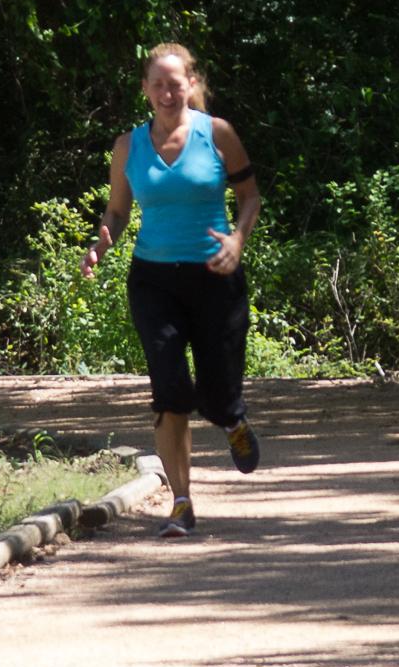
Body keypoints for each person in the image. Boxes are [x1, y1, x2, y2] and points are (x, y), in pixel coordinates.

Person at [83, 42, 266, 538]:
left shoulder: (218, 133)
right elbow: (117, 210)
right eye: (158, 84)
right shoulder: (128, 146)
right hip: (154, 280)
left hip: (215, 276)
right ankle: (181, 503)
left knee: (217, 392)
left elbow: (250, 196)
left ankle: (232, 421)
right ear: (145, 89)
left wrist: (237, 240)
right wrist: (101, 244)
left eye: (175, 83)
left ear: (191, 84)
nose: (167, 92)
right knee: (169, 390)